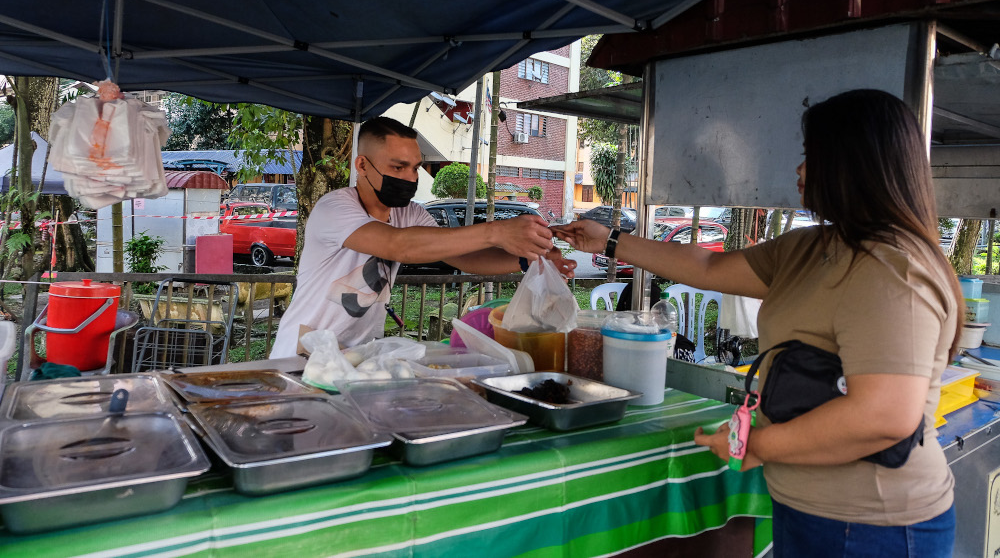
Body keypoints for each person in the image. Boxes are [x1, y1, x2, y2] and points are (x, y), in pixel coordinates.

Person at [552, 90, 961, 557]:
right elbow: (708, 268)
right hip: (808, 507)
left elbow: (884, 416)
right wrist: (609, 240)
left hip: (873, 525)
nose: (799, 170)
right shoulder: (811, 248)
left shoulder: (892, 271)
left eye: (812, 155)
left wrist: (758, 445)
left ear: (854, 163)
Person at [271, 117, 575, 358]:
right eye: (398, 167)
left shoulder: (410, 213)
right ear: (362, 165)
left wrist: (529, 258)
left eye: (415, 167)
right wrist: (497, 231)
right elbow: (397, 244)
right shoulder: (334, 208)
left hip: (353, 357)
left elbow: (463, 256)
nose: (411, 177)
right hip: (300, 354)